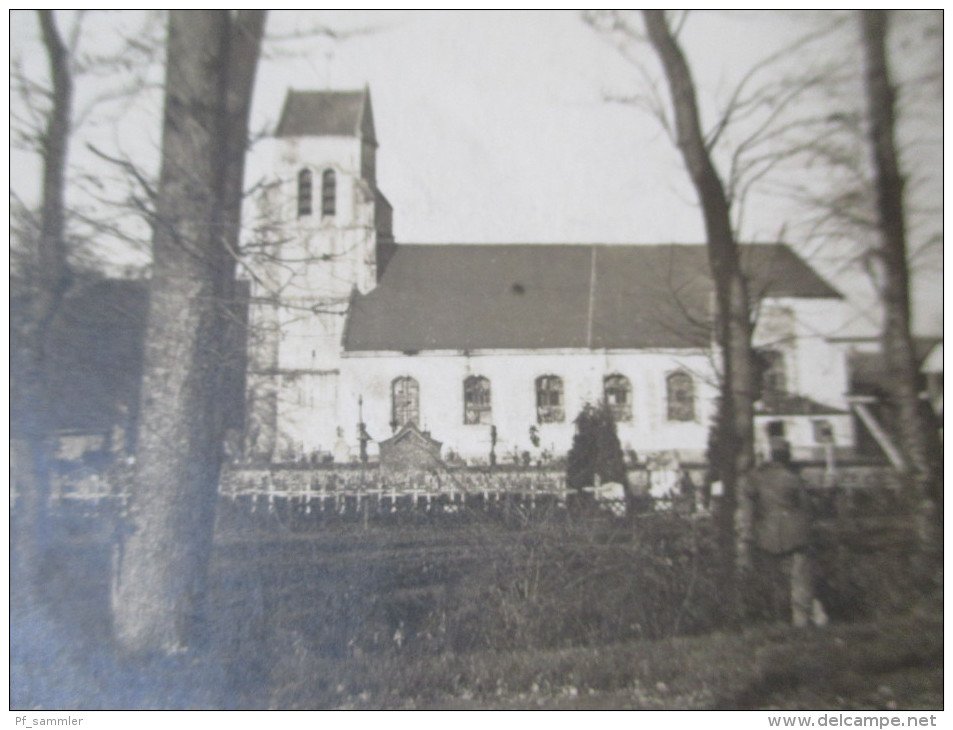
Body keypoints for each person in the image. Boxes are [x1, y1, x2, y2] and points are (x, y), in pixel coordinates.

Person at [748, 436, 827, 628]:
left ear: (771, 456)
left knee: (776, 581)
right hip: (796, 534)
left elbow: (750, 504)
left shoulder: (757, 478)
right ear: (787, 456)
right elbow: (807, 507)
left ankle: (777, 620)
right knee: (800, 578)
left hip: (767, 535)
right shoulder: (792, 478)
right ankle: (801, 620)